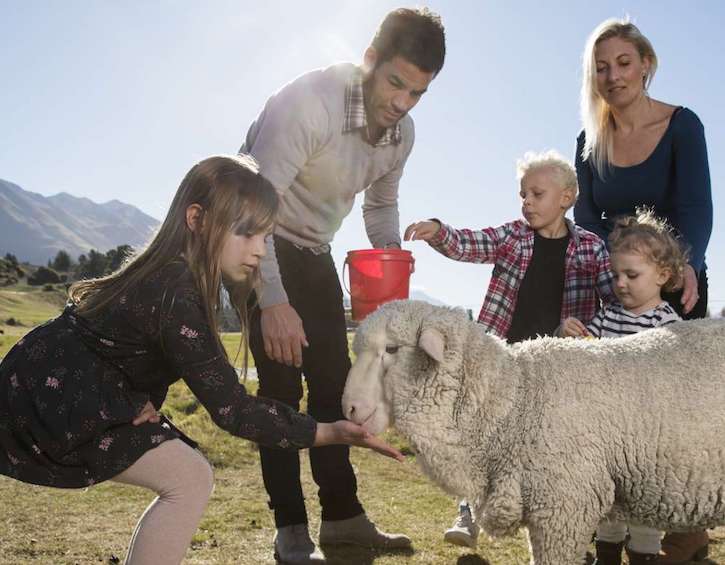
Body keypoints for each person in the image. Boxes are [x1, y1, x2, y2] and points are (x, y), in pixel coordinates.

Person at [0, 155, 403, 565]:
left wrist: (127, 393)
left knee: (188, 476)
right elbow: (232, 408)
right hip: (44, 393)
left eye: (266, 237)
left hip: (62, 387)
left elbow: (116, 347)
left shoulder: (182, 279)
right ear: (197, 219)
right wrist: (330, 432)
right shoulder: (177, 289)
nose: (261, 250)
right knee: (189, 478)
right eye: (248, 234)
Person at [238, 7, 446, 564]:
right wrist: (273, 300)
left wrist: (390, 261)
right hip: (256, 241)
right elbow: (251, 210)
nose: (402, 102)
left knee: (336, 389)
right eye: (396, 82)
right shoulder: (308, 104)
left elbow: (380, 207)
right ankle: (290, 530)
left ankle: (343, 520)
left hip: (316, 250)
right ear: (371, 60)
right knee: (282, 392)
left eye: (418, 93)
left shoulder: (401, 135)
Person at [404, 149, 615, 547]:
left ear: (567, 197)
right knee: (484, 435)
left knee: (552, 442)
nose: (527, 203)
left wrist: (590, 330)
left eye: (537, 194)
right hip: (504, 357)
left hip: (557, 368)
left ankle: (562, 523)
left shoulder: (590, 249)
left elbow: (615, 298)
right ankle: (469, 511)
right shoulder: (513, 236)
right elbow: (471, 243)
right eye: (523, 195)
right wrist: (438, 230)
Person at [575, 18, 713, 564]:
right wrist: (600, 279)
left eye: (624, 63)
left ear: (646, 64)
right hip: (614, 286)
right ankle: (611, 530)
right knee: (612, 419)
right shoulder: (590, 138)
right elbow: (587, 219)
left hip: (673, 277)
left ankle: (683, 538)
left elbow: (697, 207)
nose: (613, 76)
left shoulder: (682, 125)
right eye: (602, 67)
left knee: (676, 420)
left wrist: (687, 267)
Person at [558, 210, 686, 565]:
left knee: (645, 508)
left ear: (662, 274)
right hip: (607, 435)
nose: (621, 283)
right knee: (609, 506)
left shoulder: (668, 324)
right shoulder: (608, 315)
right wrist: (572, 337)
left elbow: (671, 375)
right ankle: (607, 555)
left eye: (632, 274)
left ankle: (644, 555)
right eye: (616, 275)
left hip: (648, 436)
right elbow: (589, 354)